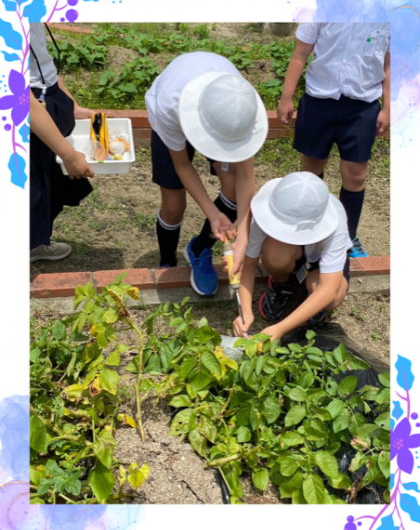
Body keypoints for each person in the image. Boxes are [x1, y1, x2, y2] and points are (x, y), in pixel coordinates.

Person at [145, 51, 269, 296]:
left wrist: (243, 238)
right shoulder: (169, 107)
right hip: (173, 112)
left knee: (232, 186)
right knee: (173, 205)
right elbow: (183, 166)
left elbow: (246, 177)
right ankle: (167, 260)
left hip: (222, 111)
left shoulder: (245, 111)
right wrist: (212, 213)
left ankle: (199, 248)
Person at [277, 23, 390, 258]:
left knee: (355, 174)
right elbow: (300, 53)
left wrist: (388, 108)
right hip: (319, 99)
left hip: (362, 105)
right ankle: (309, 232)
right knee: (311, 168)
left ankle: (347, 237)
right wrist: (286, 97)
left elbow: (390, 64)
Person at [232, 172, 352, 340]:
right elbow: (248, 264)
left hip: (318, 260)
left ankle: (314, 305)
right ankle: (284, 285)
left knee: (334, 297)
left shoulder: (336, 223)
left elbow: (329, 289)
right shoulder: (268, 210)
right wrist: (244, 311)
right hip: (288, 250)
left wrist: (281, 328)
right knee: (274, 255)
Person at [30, 22, 95, 263]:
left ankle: (34, 244)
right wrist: (69, 155)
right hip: (30, 110)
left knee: (45, 186)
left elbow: (44, 62)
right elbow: (19, 98)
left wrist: (70, 104)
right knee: (32, 188)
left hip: (44, 97)